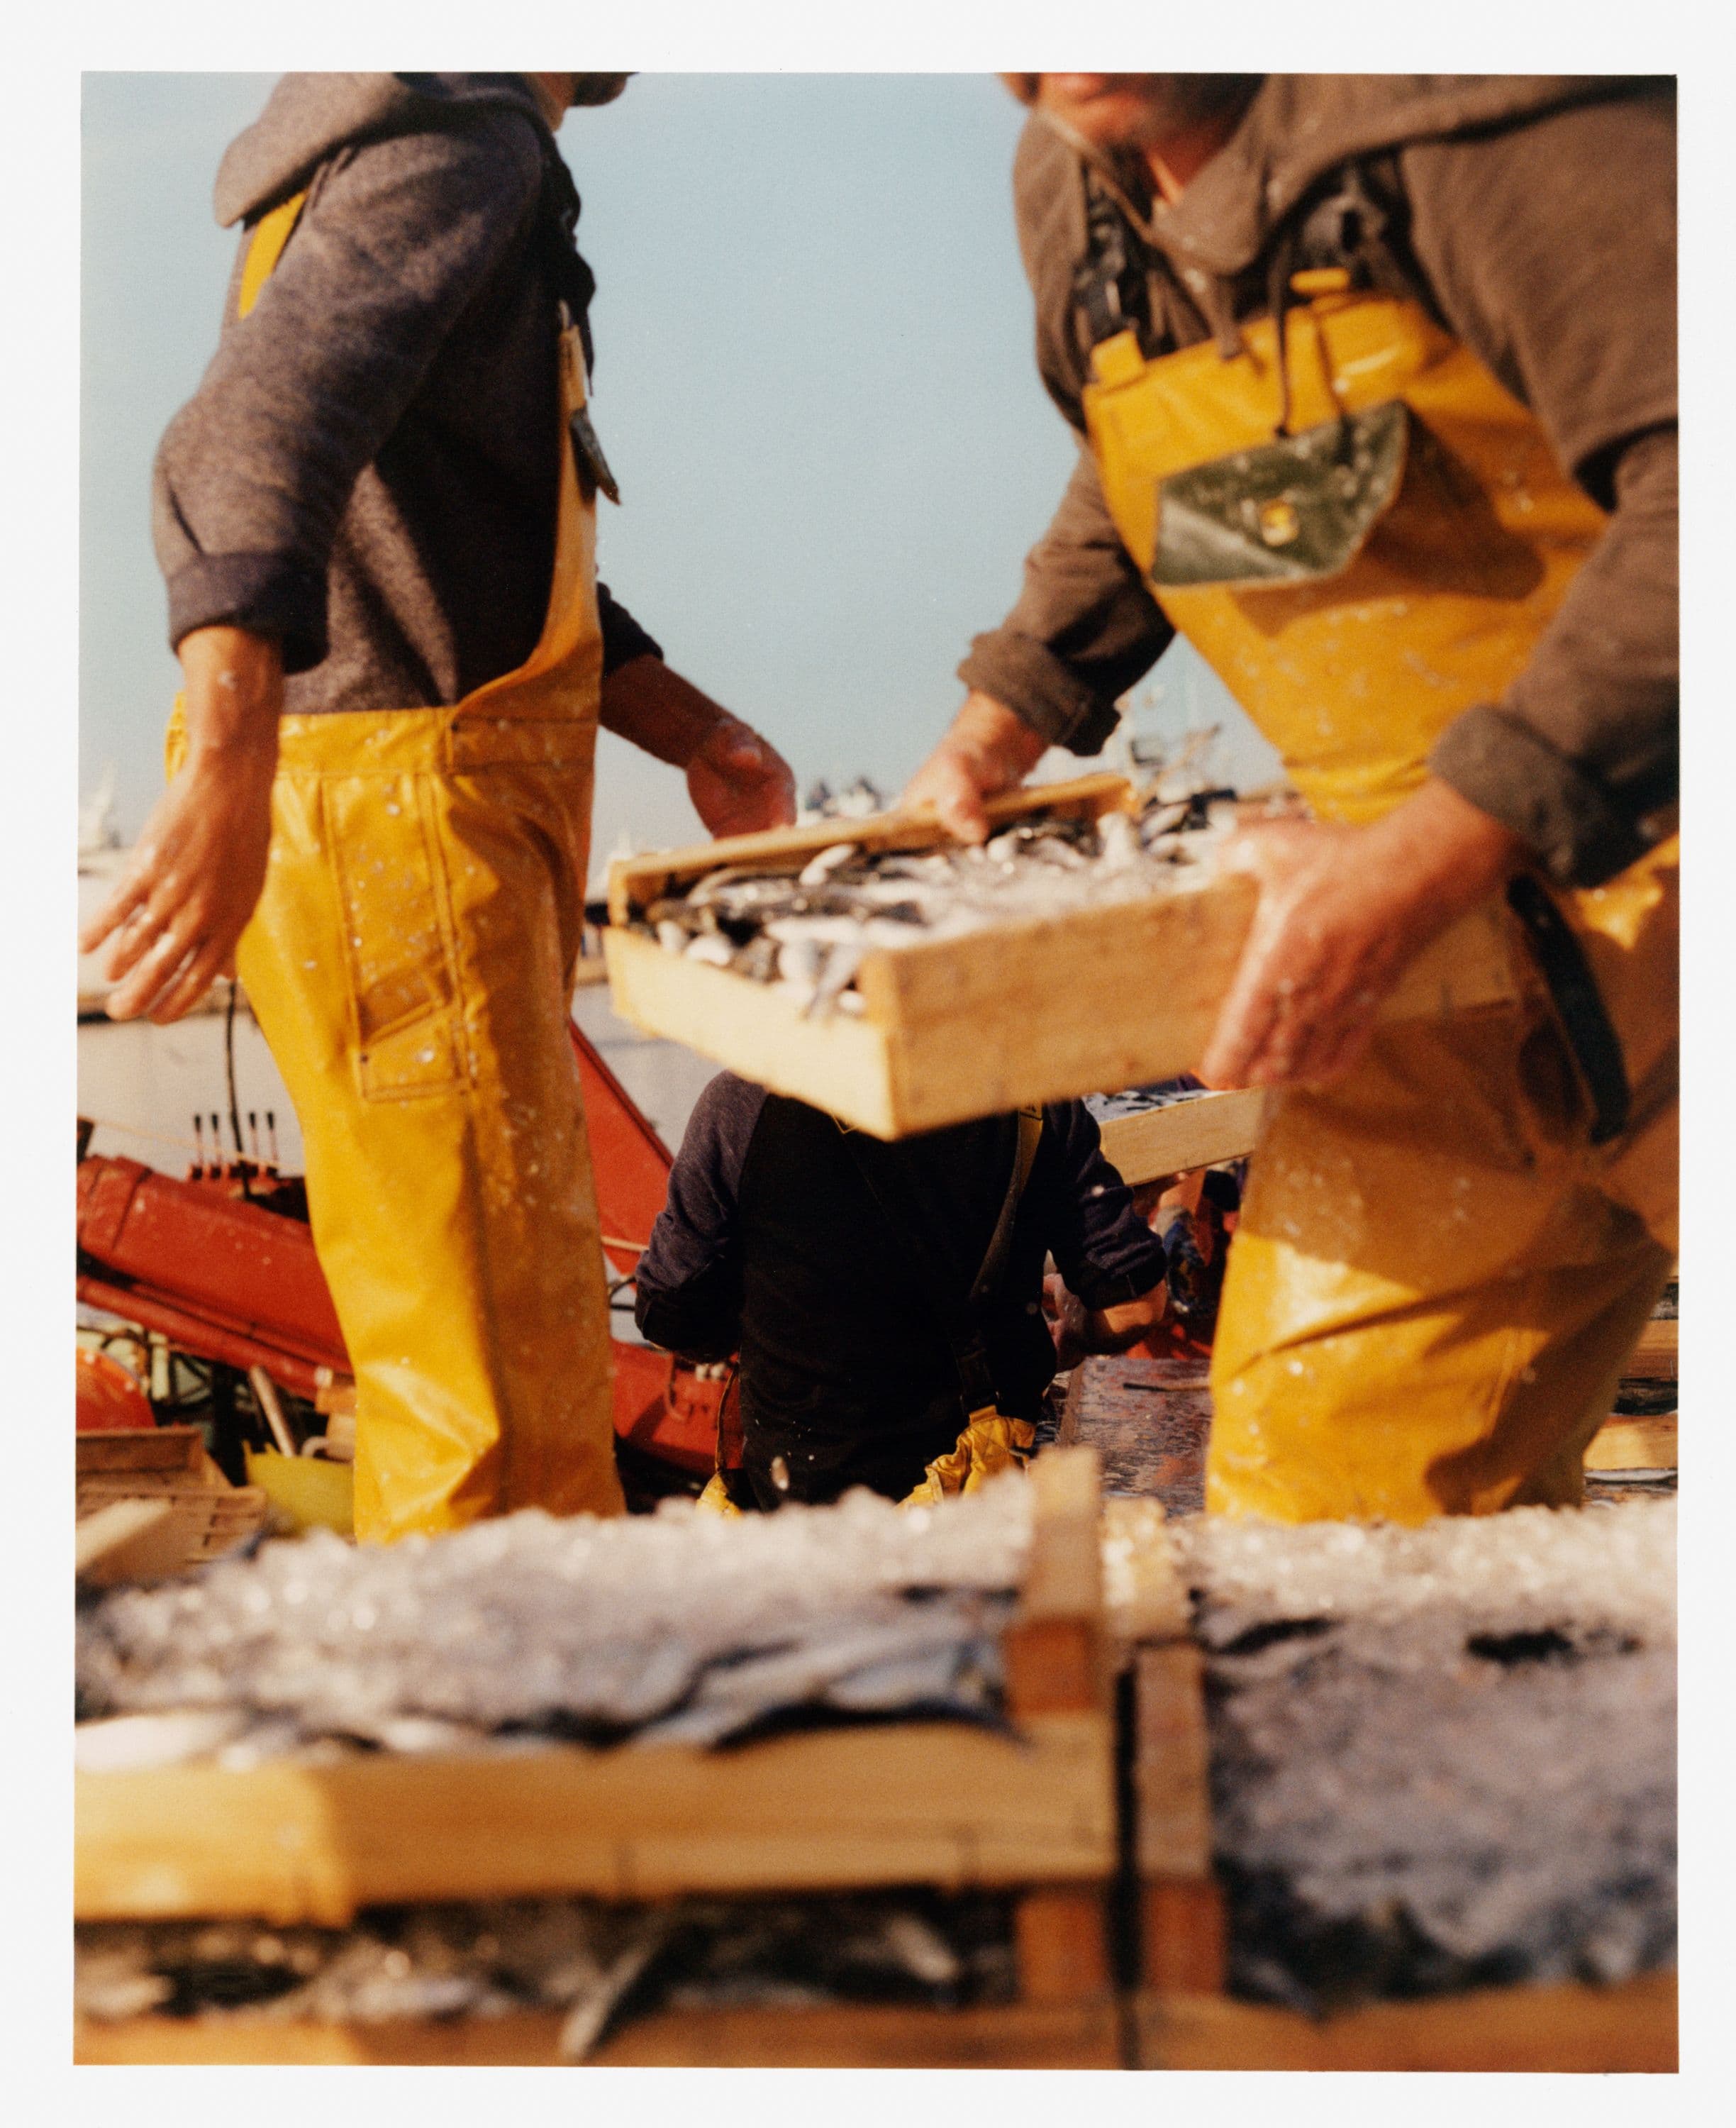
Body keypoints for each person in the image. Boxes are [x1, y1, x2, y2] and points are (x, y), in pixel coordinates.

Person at [907, 74, 1677, 1523]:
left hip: (1665, 865)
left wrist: (1442, 844)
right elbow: (1165, 476)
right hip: (1408, 975)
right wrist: (1000, 717)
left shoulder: (1487, 106)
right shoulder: (1070, 180)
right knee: (1320, 1532)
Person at [79, 72, 797, 1542]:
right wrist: (230, 756)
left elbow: (443, 538)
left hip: (403, 829)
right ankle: (476, 1750)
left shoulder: (397, 153)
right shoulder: (464, 142)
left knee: (522, 1355)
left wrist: (697, 733)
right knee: (482, 1396)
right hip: (396, 835)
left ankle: (537, 1722)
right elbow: (235, 447)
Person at [633, 1074, 1170, 1507]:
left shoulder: (740, 1102)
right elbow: (1135, 1306)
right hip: (977, 1510)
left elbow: (670, 1316)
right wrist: (1072, 1330)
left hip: (798, 1513)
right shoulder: (1034, 1094)